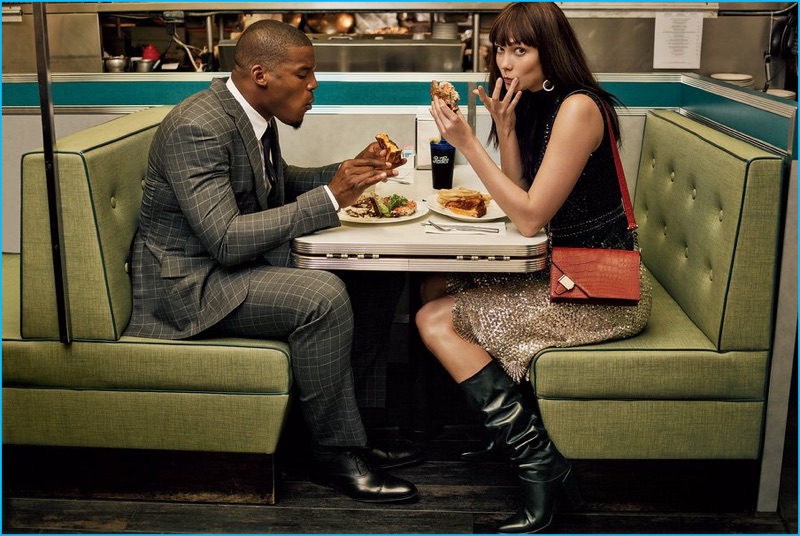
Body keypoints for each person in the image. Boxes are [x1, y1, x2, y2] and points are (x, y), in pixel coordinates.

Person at [124, 19, 421, 503]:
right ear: (262, 74)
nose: (314, 85)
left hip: (229, 267)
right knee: (320, 297)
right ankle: (332, 452)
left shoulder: (251, 115)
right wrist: (330, 198)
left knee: (375, 273)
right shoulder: (199, 126)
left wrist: (347, 172)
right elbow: (224, 240)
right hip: (191, 285)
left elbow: (277, 183)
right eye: (304, 74)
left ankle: (356, 434)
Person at [418, 2, 652, 532]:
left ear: (552, 51)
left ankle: (539, 462)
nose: (506, 61)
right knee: (432, 282)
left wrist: (469, 143)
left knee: (433, 319)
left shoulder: (578, 108)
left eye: (521, 49)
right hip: (564, 271)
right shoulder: (541, 103)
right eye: (501, 48)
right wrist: (505, 126)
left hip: (601, 294)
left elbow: (527, 220)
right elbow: (524, 194)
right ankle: (501, 432)